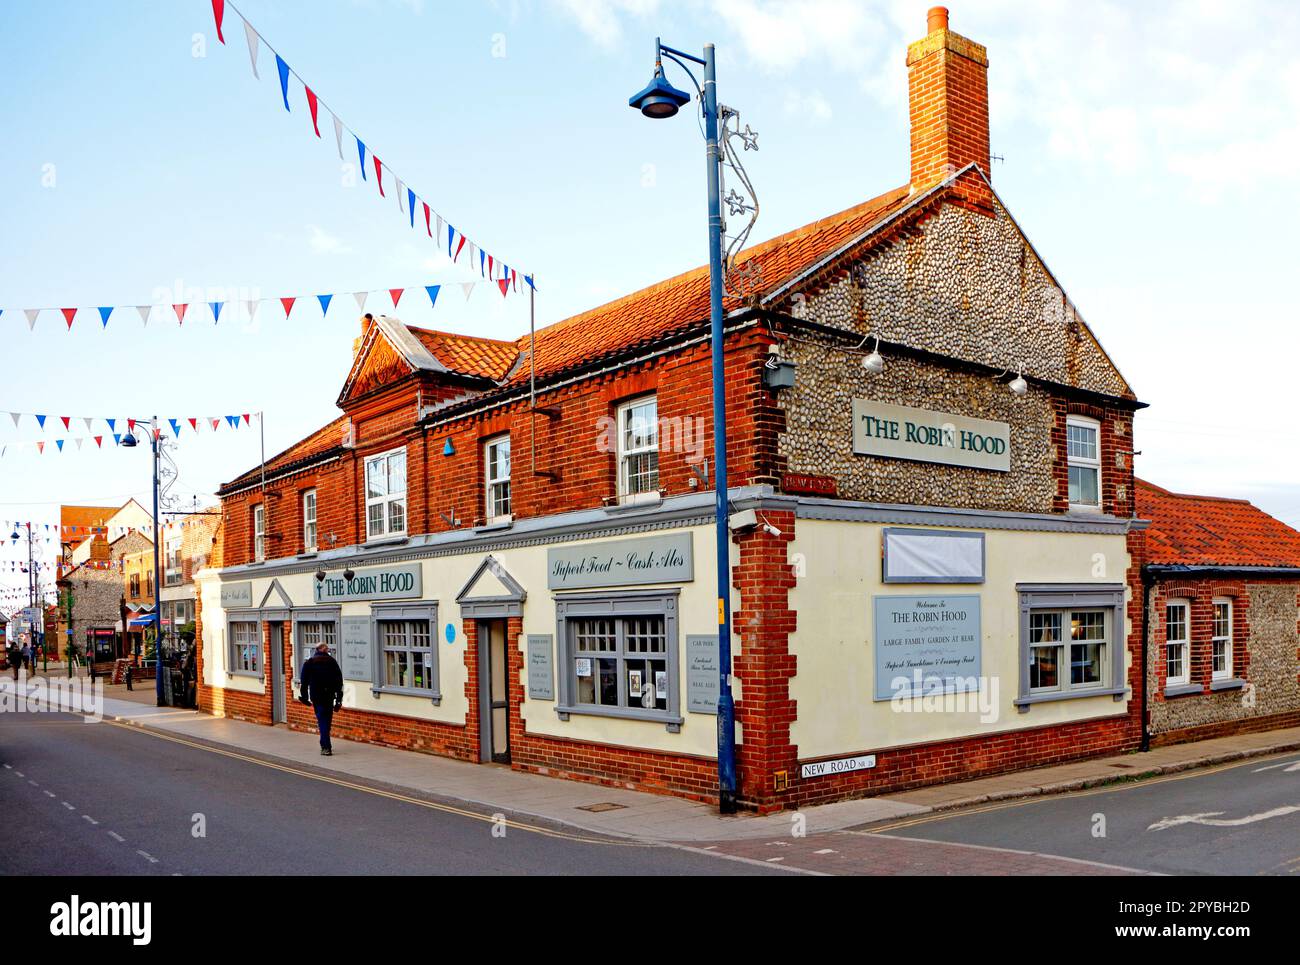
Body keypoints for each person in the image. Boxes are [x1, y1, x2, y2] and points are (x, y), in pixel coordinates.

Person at [299, 642, 343, 756]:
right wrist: (339, 699)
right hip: (329, 696)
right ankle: (325, 743)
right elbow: (339, 682)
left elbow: (304, 682)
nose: (328, 650)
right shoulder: (332, 662)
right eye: (327, 648)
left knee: (322, 719)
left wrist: (304, 697)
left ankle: (325, 746)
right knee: (327, 720)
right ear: (323, 649)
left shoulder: (310, 662)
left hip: (316, 697)